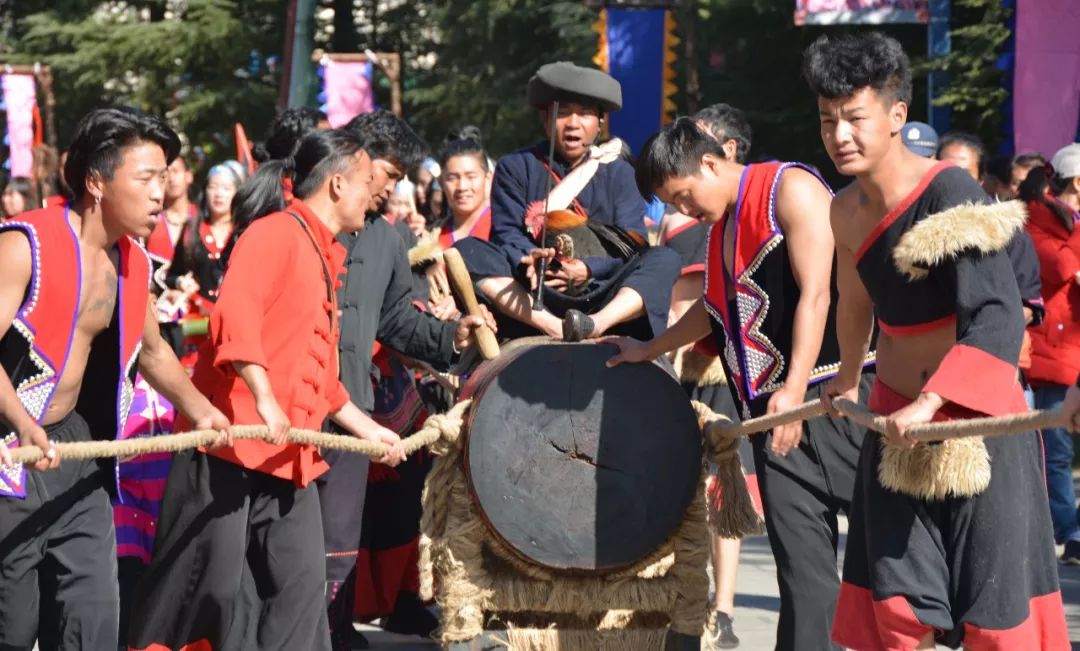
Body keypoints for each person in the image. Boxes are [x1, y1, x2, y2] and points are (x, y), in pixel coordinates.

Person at [802, 32, 1067, 649]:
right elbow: (856, 302)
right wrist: (844, 377)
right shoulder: (842, 209)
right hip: (896, 419)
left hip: (973, 418)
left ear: (897, 116)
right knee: (897, 606)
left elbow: (999, 311)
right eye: (827, 121)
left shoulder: (949, 189)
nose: (839, 135)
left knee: (993, 611)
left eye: (854, 119)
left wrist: (935, 402)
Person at [128, 129, 405, 651]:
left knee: (298, 593)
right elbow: (234, 315)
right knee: (203, 598)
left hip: (287, 456)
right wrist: (265, 397)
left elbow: (320, 378)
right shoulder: (275, 232)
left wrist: (373, 432)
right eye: (370, 181)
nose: (377, 193)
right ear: (339, 184)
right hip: (229, 448)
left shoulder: (326, 252)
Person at [620, 116, 874, 651]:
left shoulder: (791, 188)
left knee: (896, 552)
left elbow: (818, 294)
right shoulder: (720, 230)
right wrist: (648, 349)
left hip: (835, 396)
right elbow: (716, 313)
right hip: (771, 417)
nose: (681, 210)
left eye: (683, 195)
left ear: (711, 163)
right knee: (802, 574)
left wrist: (795, 385)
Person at [0, 106, 231, 651]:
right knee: (12, 628)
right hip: (9, 452)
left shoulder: (132, 262)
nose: (161, 192)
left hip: (77, 451)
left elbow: (152, 351)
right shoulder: (22, 245)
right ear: (96, 182)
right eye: (146, 177)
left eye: (165, 178)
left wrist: (201, 409)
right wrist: (21, 424)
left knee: (94, 616)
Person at [321, 109, 495, 651]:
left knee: (341, 531)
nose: (392, 191)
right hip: (292, 407)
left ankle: (334, 628)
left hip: (354, 403)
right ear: (357, 163)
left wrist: (453, 339)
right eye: (390, 177)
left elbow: (397, 318)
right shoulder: (299, 222)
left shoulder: (388, 238)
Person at [458, 60, 680, 342]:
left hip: (601, 291)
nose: (573, 124)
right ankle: (552, 327)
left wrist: (587, 269)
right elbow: (506, 234)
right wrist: (530, 259)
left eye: (585, 114)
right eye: (562, 113)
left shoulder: (622, 173)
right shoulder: (515, 167)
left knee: (665, 258)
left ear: (599, 123)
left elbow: (630, 243)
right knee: (468, 250)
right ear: (545, 119)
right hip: (533, 295)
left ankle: (596, 325)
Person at [656, 102, 754, 650]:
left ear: (725, 153)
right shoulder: (692, 221)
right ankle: (698, 600)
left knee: (723, 489)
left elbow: (693, 306)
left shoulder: (762, 206)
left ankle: (723, 605)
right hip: (687, 366)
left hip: (722, 372)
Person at [1019, 142, 1080, 565]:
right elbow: (1059, 269)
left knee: (1053, 449)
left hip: (1067, 350)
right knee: (1052, 450)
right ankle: (1067, 530)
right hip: (1050, 353)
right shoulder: (1038, 221)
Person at [165, 160, 244, 316]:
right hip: (198, 322)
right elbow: (172, 276)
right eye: (212, 187)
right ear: (205, 191)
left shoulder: (243, 231)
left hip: (235, 318)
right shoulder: (192, 228)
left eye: (226, 188)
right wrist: (181, 283)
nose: (219, 194)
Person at [438, 137, 493, 248]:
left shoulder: (503, 230)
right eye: (452, 178)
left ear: (488, 179)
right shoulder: (431, 239)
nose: (462, 187)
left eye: (471, 177)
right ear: (440, 182)